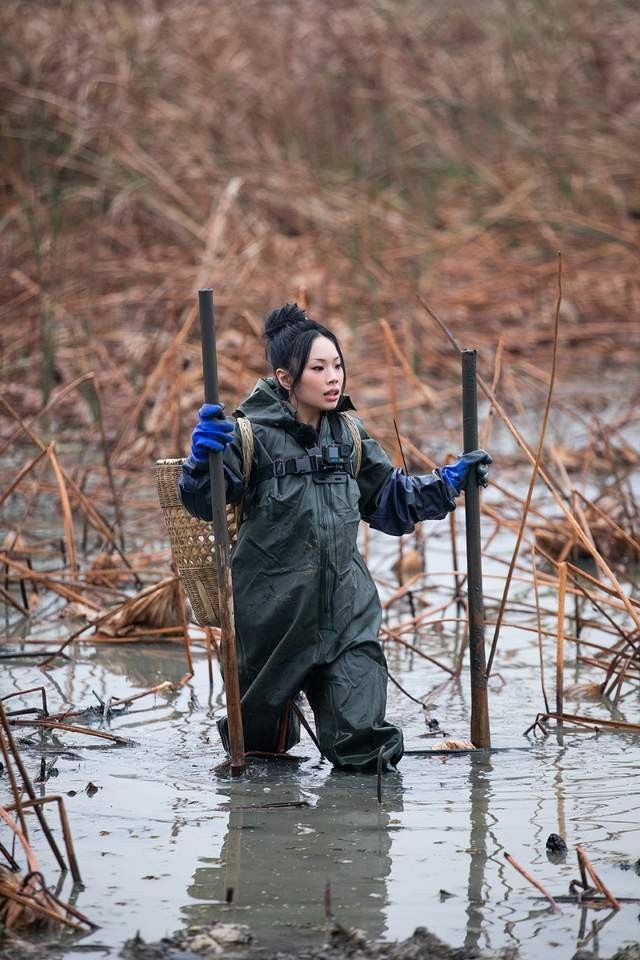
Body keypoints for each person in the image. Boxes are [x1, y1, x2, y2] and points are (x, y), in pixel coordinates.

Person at [179, 303, 491, 772]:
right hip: (271, 616)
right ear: (286, 378)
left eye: (338, 365)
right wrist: (202, 461)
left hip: (347, 611)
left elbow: (390, 501)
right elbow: (203, 503)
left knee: (366, 751)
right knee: (262, 753)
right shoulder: (246, 437)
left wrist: (448, 482)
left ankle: (362, 834)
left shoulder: (348, 433)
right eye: (319, 368)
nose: (333, 378)